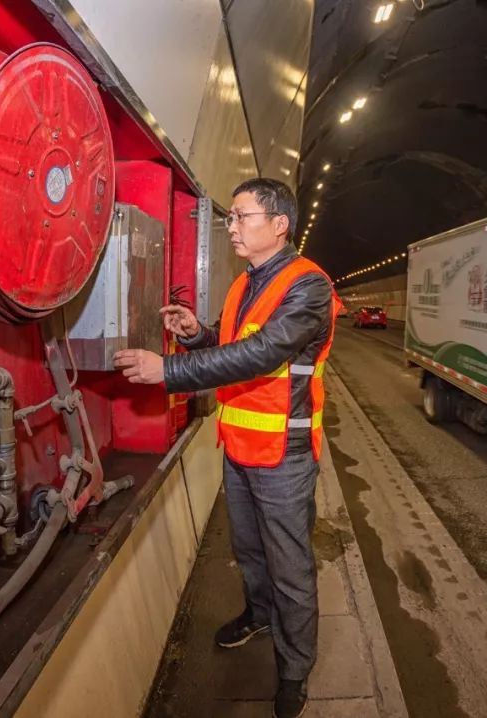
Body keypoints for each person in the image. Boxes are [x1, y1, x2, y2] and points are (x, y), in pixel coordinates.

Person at [113, 177, 341, 718]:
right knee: (252, 552)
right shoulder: (247, 282)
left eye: (241, 217)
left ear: (279, 224)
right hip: (239, 446)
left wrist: (169, 369)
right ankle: (259, 615)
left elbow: (262, 354)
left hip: (283, 455)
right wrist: (196, 334)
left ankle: (293, 672)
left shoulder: (308, 287)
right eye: (231, 218)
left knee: (292, 568)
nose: (232, 226)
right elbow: (231, 341)